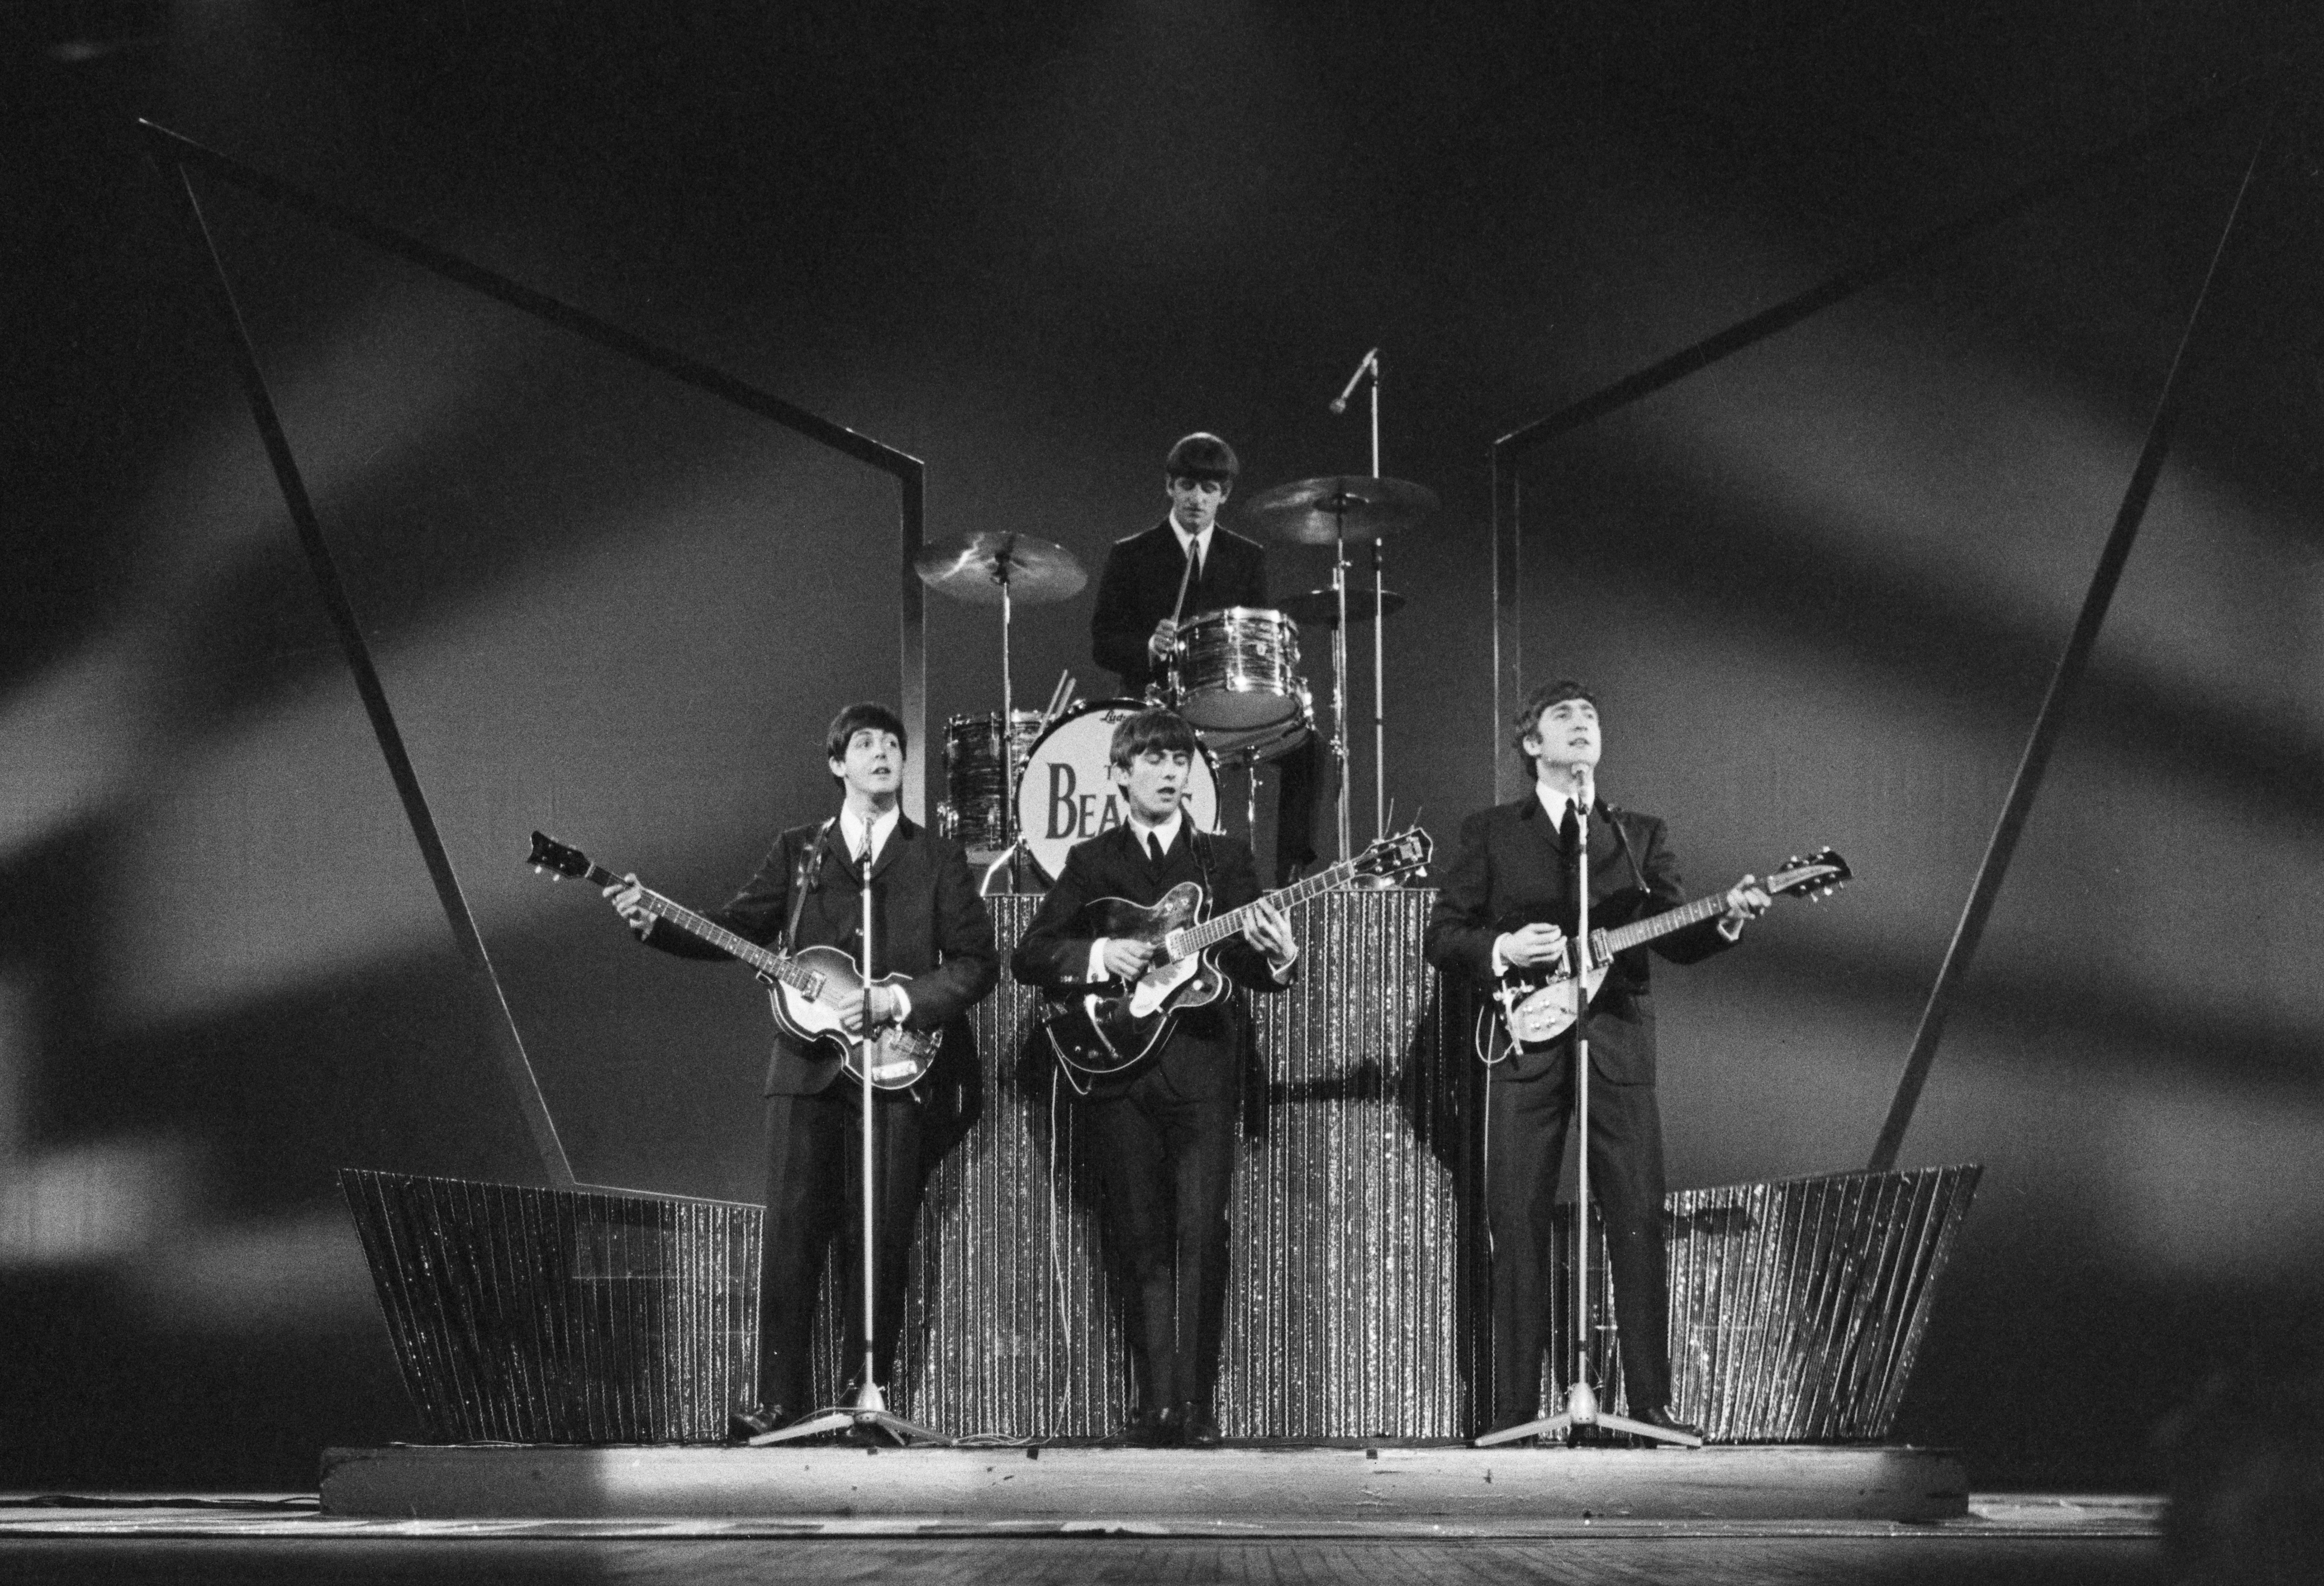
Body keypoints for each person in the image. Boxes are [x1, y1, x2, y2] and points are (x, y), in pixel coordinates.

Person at [605, 702, 997, 1440]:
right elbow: (734, 929)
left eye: (892, 743)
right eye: (866, 743)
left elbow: (978, 963)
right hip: (804, 1072)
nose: (883, 753)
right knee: (790, 1236)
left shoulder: (935, 856)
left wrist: (901, 998)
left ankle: (868, 1397)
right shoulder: (799, 852)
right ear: (836, 764)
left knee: (881, 1237)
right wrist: (654, 922)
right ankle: (777, 1399)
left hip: (899, 1070)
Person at [1423, 680, 1770, 1441]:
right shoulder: (1491, 832)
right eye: (1564, 717)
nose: (1582, 725)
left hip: (1615, 1042)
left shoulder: (1636, 834)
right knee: (1515, 1219)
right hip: (1523, 1042)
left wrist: (1730, 918)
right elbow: (1442, 934)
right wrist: (1501, 948)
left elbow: (1676, 934)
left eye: (1591, 717)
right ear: (1531, 744)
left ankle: (1649, 1402)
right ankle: (1514, 1406)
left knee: (1637, 1215)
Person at [1011, 706, 1299, 1447]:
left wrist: (1279, 956)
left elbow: (1244, 963)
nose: (1172, 773)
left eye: (1181, 761)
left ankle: (1196, 1405)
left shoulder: (1223, 860)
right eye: (1156, 760)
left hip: (1202, 1068)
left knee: (1202, 1235)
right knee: (1139, 1239)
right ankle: (1154, 1403)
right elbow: (1032, 954)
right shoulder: (1092, 860)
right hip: (1116, 1072)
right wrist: (1103, 957)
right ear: (1121, 773)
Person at [1089, 432, 1321, 883]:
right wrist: (1148, 647)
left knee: (1308, 747)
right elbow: (1102, 643)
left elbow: (1254, 638)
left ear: (1224, 495)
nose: (1197, 498)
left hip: (1224, 711)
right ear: (1171, 487)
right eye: (1188, 486)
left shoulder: (1246, 557)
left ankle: (1291, 879)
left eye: (1209, 489)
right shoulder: (1131, 553)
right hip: (1156, 709)